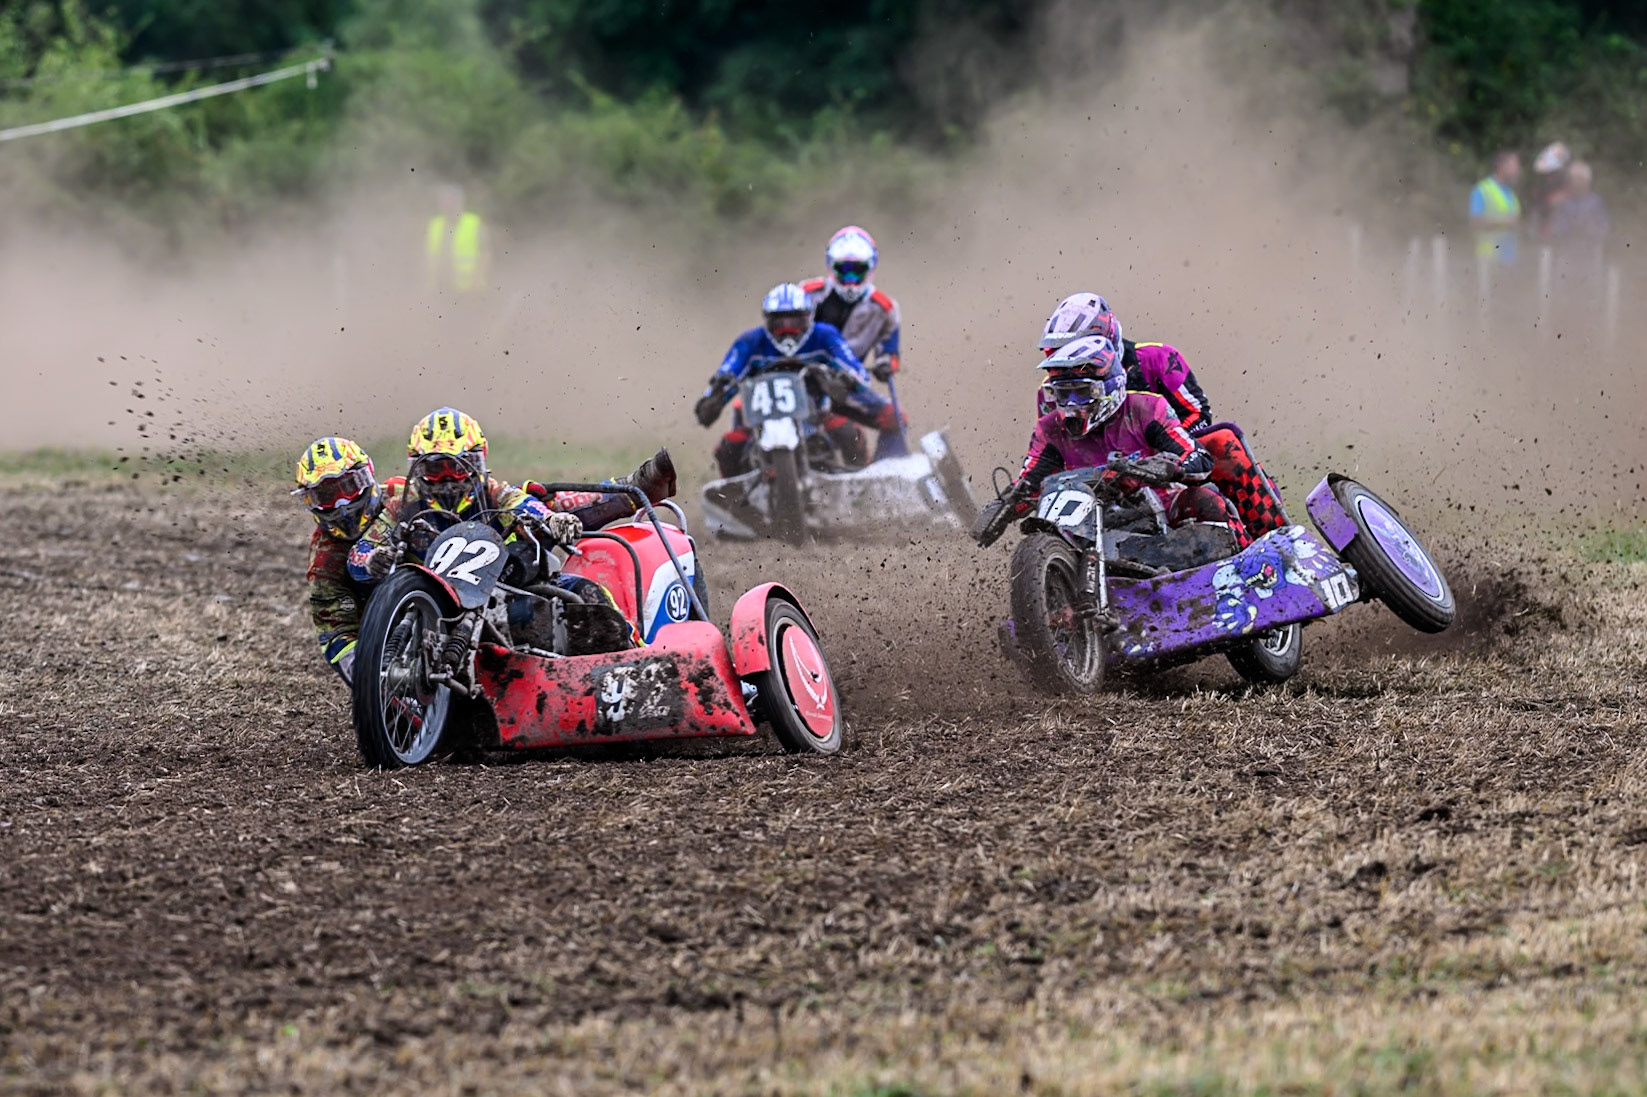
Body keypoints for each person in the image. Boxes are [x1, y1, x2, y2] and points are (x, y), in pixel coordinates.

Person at [349, 409, 674, 645]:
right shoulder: (401, 504)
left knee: (584, 593)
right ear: (417, 468)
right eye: (436, 468)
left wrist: (550, 520)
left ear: (477, 463)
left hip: (501, 596)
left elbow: (523, 504)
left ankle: (636, 652)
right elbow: (360, 549)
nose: (448, 478)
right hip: (431, 607)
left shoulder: (494, 492)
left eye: (458, 466)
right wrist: (371, 560)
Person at [1035, 292, 1289, 537]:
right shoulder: (1053, 393)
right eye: (1056, 353)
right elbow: (1058, 450)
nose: (1065, 359)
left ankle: (1276, 535)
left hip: (1172, 459)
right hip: (1103, 478)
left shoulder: (1157, 358)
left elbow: (1198, 412)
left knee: (1224, 441)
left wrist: (1159, 454)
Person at [971, 335, 1246, 548]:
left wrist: (1173, 467)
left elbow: (1198, 457)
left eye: (1081, 392)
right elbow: (1030, 482)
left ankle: (1250, 573)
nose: (1071, 404)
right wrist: (1004, 507)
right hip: (1087, 523)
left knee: (1206, 501)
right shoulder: (1050, 428)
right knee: (1045, 537)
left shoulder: (1147, 408)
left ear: (1111, 385)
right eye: (1062, 394)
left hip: (1157, 509)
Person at [695, 283, 905, 478]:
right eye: (779, 322)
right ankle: (733, 500)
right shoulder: (751, 341)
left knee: (848, 432)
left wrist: (841, 379)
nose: (787, 329)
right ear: (767, 320)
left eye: (795, 321)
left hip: (815, 415)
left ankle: (864, 483)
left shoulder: (824, 336)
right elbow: (728, 371)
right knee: (730, 446)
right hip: (758, 421)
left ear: (808, 317)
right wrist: (714, 396)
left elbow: (855, 370)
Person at [293, 437, 399, 684]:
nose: (342, 505)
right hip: (393, 638)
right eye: (327, 496)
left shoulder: (402, 494)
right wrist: (371, 682)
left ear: (368, 476)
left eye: (348, 487)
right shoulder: (325, 559)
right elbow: (336, 634)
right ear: (311, 502)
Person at [801, 225, 902, 383]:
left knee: (887, 409)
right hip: (800, 377)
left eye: (857, 270)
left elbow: (890, 354)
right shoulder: (806, 294)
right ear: (831, 267)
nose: (850, 279)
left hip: (850, 382)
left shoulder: (884, 308)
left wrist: (886, 365)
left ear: (870, 268)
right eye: (844, 270)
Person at [426, 184, 489, 295]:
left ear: (458, 202)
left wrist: (476, 281)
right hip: (439, 289)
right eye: (442, 201)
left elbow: (486, 254)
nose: (444, 204)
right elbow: (428, 256)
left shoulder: (473, 223)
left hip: (469, 291)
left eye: (448, 201)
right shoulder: (435, 224)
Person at [1469, 151, 1522, 267]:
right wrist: (1505, 222)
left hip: (1509, 258)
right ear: (1502, 167)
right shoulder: (1483, 189)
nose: (1518, 170)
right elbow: (1475, 221)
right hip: (1489, 258)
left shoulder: (1510, 193)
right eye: (1514, 166)